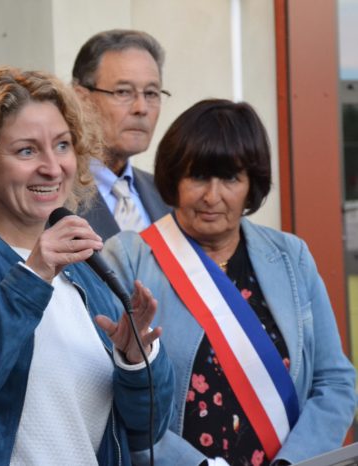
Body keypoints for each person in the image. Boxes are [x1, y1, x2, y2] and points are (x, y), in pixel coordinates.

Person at [0, 67, 174, 465]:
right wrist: (33, 275)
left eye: (62, 145)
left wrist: (135, 359)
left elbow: (147, 429)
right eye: (26, 150)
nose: (52, 168)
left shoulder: (89, 263)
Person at [102, 99, 356, 465]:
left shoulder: (291, 257)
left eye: (231, 179)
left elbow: (334, 382)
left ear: (252, 183)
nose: (212, 196)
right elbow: (111, 396)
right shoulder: (128, 259)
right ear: (174, 178)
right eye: (198, 176)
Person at [72, 29, 171, 239]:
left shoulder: (167, 194)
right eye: (123, 92)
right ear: (81, 98)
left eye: (151, 93)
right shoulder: (53, 194)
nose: (141, 108)